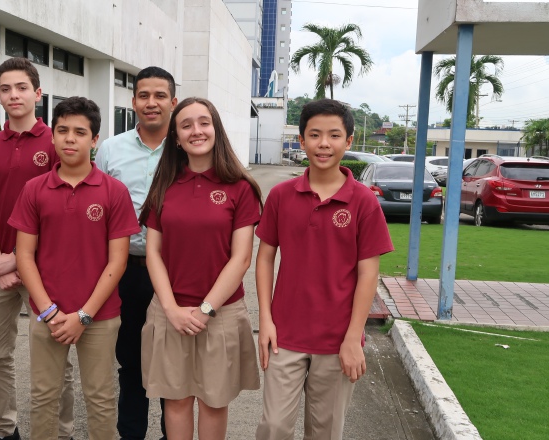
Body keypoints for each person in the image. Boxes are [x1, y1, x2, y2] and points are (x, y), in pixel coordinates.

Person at [254, 98, 394, 440]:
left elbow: (368, 274)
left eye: (334, 135)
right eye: (315, 135)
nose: (324, 144)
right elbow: (265, 257)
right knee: (274, 428)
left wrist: (352, 338)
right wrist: (266, 320)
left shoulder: (363, 201)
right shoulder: (282, 196)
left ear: (348, 141)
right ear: (301, 141)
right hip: (285, 334)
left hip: (337, 338)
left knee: (326, 432)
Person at [9, 96, 140, 440]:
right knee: (43, 396)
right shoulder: (34, 190)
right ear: (52, 136)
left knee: (99, 397)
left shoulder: (114, 191)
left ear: (94, 140)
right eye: (62, 130)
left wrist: (83, 315)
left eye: (80, 132)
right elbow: (24, 256)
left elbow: (118, 260)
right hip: (46, 314)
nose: (70, 138)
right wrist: (51, 312)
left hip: (99, 315)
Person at [138, 97, 262, 440]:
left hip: (221, 313)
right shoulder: (164, 185)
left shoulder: (240, 187)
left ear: (216, 129)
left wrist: (206, 309)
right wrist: (171, 309)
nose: (197, 131)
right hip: (170, 312)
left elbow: (241, 259)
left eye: (204, 122)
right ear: (176, 137)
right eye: (186, 125)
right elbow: (153, 254)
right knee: (175, 401)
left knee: (213, 402)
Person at [0, 57, 74, 440]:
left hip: (45, 265)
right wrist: (0, 259)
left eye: (21, 87)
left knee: (53, 355)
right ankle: (3, 429)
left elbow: (64, 208)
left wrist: (19, 258)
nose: (13, 95)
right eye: (5, 89)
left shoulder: (56, 141)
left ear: (38, 93)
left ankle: (61, 431)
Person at [94, 66, 177, 440]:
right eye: (144, 95)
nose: (152, 103)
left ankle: (167, 433)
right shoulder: (111, 149)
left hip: (173, 271)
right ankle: (131, 434)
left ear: (173, 102)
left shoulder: (186, 149)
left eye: (160, 95)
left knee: (170, 360)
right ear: (133, 102)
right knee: (129, 360)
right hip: (123, 269)